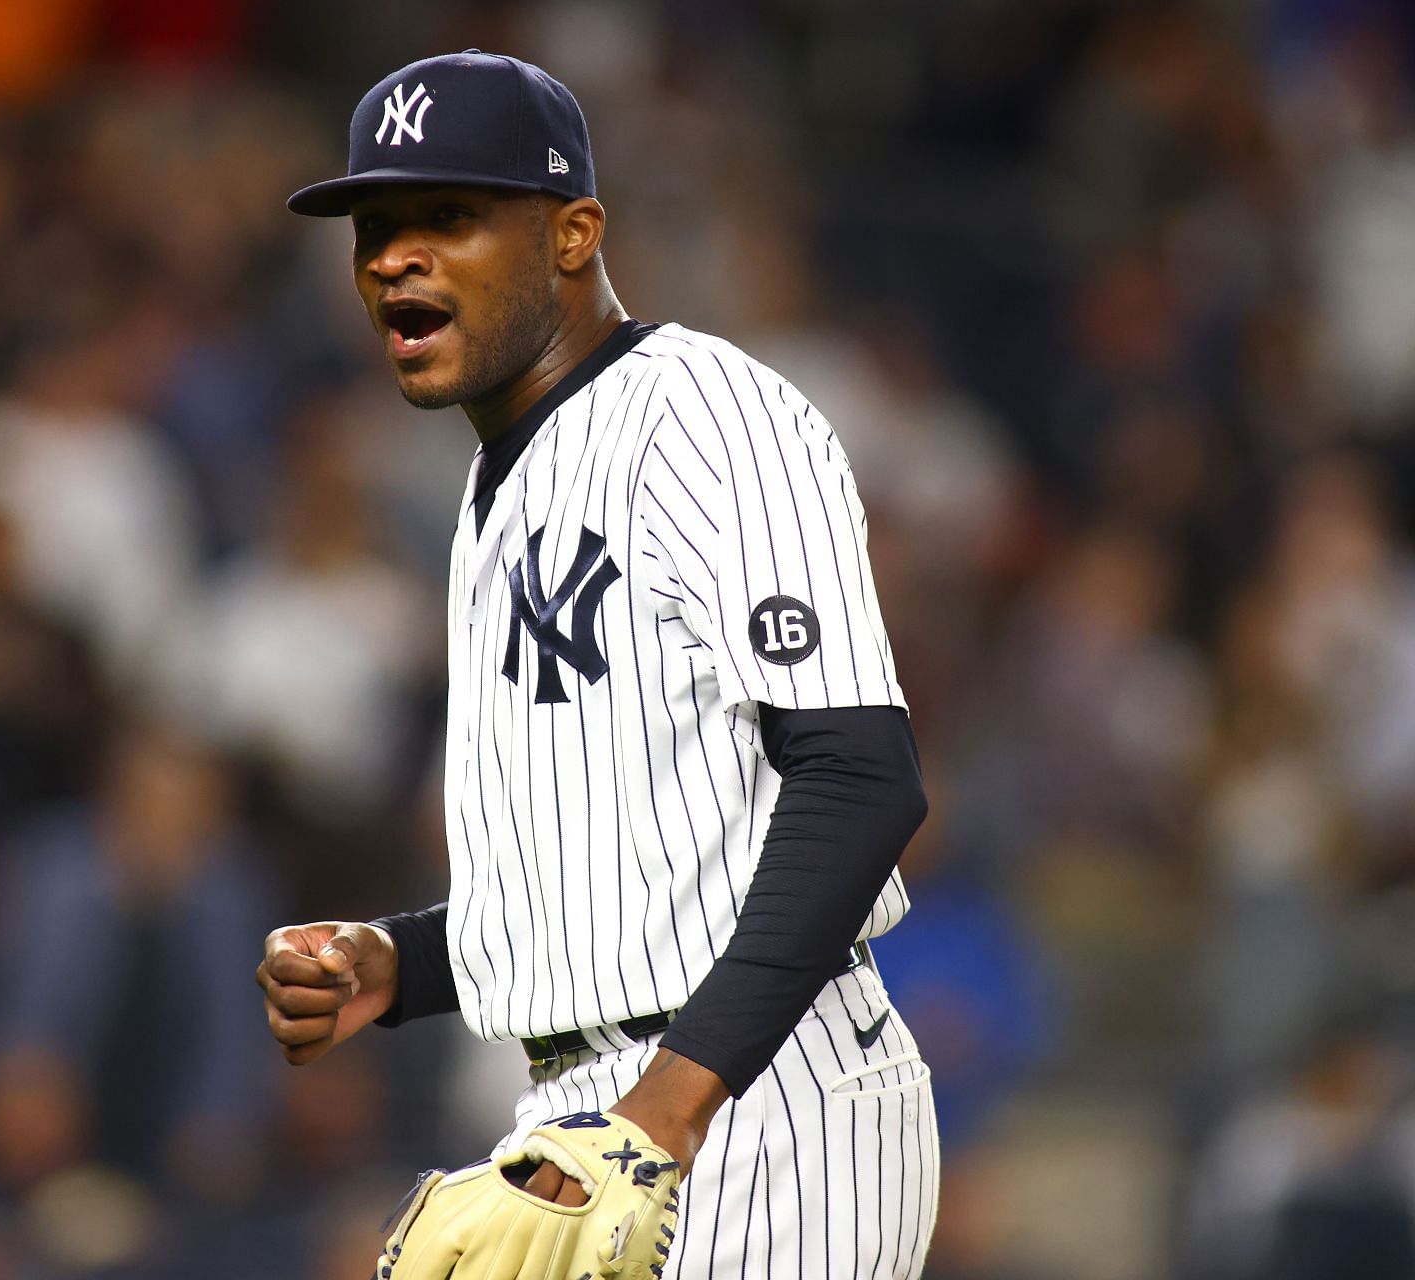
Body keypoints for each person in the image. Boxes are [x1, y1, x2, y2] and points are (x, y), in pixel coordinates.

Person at [258, 51, 938, 1277]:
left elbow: (860, 776)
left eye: (448, 217)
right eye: (377, 226)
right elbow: (616, 866)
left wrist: (664, 1115)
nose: (393, 257)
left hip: (755, 1106)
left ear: (573, 233)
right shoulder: (493, 486)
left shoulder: (707, 413)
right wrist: (399, 963)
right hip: (598, 1109)